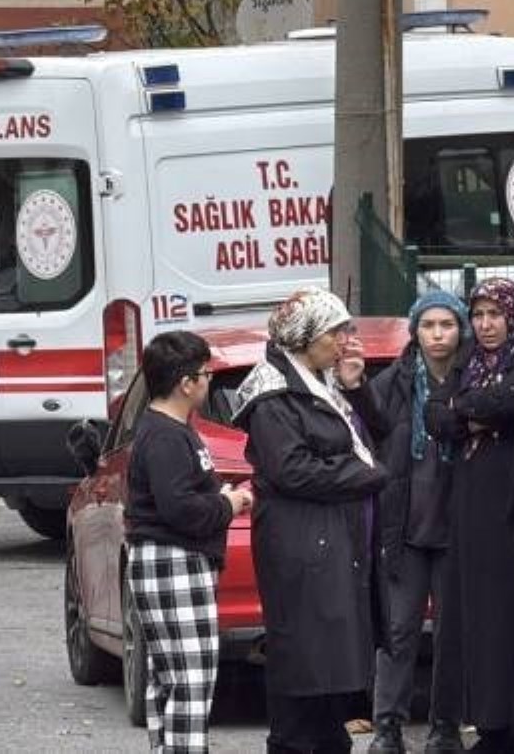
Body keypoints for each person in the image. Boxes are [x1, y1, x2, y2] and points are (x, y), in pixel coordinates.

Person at [233, 287, 389, 754]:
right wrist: (363, 476)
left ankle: (327, 738)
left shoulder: (324, 382)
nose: (345, 340)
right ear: (304, 336)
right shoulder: (273, 393)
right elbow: (290, 468)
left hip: (335, 541)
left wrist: (356, 385)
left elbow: (379, 431)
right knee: (304, 659)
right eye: (334, 331)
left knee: (331, 664)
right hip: (301, 545)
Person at [424, 278, 514, 754]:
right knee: (475, 618)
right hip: (469, 512)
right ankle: (491, 722)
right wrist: (471, 413)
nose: (486, 326)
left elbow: (512, 399)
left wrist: (468, 412)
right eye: (478, 316)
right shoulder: (466, 363)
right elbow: (434, 415)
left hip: (511, 507)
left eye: (495, 315)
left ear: (513, 316)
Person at [348, 290, 471, 753]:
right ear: (415, 332)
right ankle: (388, 726)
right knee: (398, 630)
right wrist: (357, 387)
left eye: (447, 325)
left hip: (455, 529)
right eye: (428, 326)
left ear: (461, 329)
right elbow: (368, 433)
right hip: (404, 529)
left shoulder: (471, 380)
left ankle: (445, 725)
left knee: (451, 632)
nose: (438, 335)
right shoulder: (393, 383)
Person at [126, 330, 255, 754]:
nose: (210, 380)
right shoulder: (165, 435)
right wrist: (230, 502)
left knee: (172, 675)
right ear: (186, 383)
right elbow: (179, 508)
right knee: (189, 679)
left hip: (172, 561)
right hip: (173, 560)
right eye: (206, 373)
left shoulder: (171, 429)